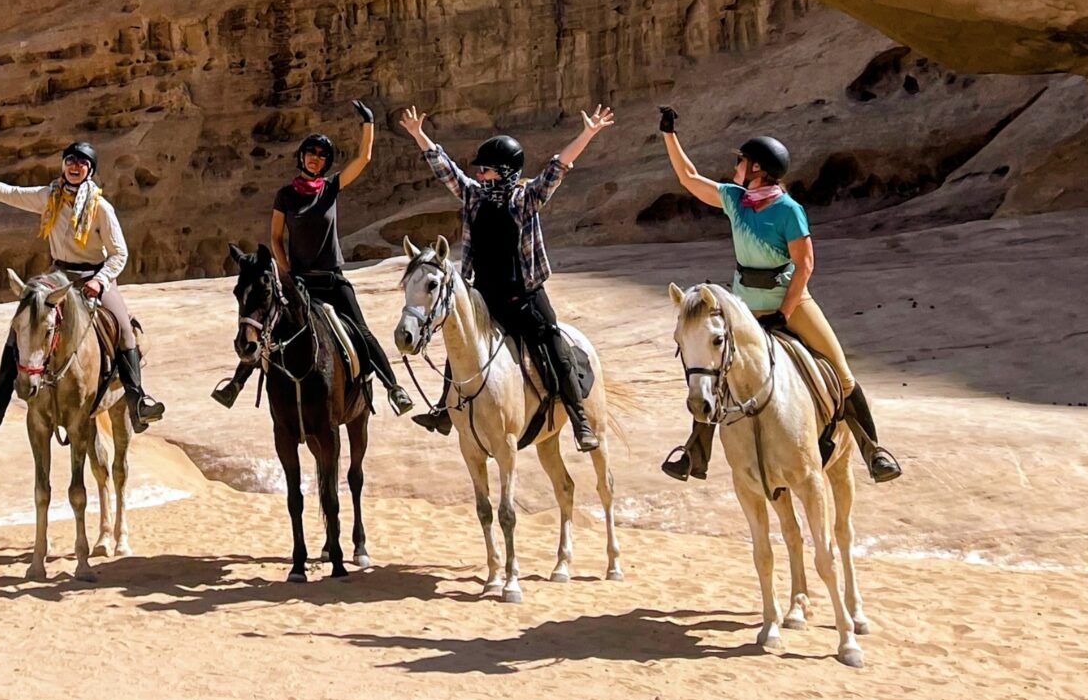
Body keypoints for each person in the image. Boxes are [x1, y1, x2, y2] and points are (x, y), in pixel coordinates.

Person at [655, 108, 902, 483]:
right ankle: (695, 452)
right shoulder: (735, 200)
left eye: (741, 160)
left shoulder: (789, 211)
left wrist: (784, 314)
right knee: (711, 368)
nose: (736, 165)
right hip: (742, 307)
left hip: (791, 303)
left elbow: (804, 266)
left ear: (757, 169)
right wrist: (669, 134)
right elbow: (689, 177)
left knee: (843, 374)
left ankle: (873, 451)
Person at [401, 104, 613, 451]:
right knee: (461, 346)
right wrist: (418, 135)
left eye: (486, 170)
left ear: (504, 171)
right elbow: (446, 170)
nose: (480, 175)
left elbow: (557, 168)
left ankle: (579, 418)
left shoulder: (526, 199)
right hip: (484, 296)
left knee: (554, 343)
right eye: (480, 171)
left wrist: (588, 133)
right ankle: (443, 410)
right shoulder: (473, 197)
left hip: (525, 295)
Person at [0, 141, 167, 433]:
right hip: (58, 275)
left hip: (94, 276)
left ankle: (138, 403)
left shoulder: (101, 208)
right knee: (22, 323)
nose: (75, 166)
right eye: (71, 160)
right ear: (63, 165)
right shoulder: (50, 197)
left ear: (90, 170)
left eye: (82, 163)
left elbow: (119, 253)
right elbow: (8, 193)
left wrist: (100, 280)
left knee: (124, 328)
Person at [212, 102, 413, 413]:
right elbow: (276, 238)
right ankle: (235, 384)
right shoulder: (286, 195)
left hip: (332, 278)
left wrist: (369, 123)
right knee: (268, 326)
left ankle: (393, 387)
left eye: (321, 155)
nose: (315, 158)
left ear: (326, 162)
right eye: (311, 152)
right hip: (300, 280)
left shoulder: (330, 188)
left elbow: (364, 158)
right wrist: (286, 271)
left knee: (360, 330)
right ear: (301, 156)